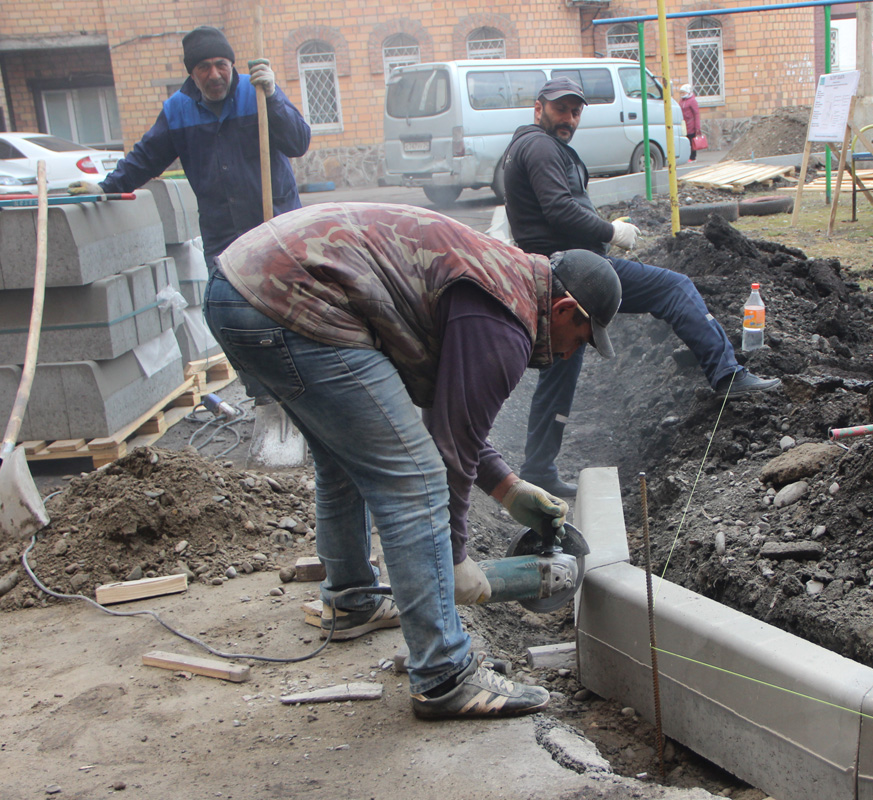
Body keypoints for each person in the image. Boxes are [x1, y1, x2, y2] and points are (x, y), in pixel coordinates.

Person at [204, 201, 622, 719]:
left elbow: (448, 419)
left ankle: (352, 599)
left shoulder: (503, 282)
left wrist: (509, 489)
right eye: (579, 341)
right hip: (289, 298)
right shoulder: (507, 323)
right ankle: (445, 673)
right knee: (415, 479)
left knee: (345, 459)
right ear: (563, 311)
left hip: (242, 287)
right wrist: (455, 558)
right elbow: (447, 452)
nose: (570, 354)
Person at [503, 77, 780, 497]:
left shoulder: (529, 147)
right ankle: (726, 375)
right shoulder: (539, 146)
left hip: (551, 275)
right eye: (561, 109)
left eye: (576, 111)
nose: (570, 119)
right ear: (538, 108)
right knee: (673, 288)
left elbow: (556, 207)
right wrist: (610, 230)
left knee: (562, 367)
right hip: (575, 271)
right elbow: (558, 209)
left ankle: (538, 468)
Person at [69, 25, 311, 273]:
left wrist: (273, 98)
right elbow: (145, 158)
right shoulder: (178, 111)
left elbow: (298, 143)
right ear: (192, 75)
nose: (214, 74)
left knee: (284, 304)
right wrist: (105, 187)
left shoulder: (258, 92)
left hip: (277, 226)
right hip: (224, 236)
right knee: (228, 307)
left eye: (221, 64)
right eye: (204, 67)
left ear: (232, 65)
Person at [680, 83, 701, 162]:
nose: (682, 94)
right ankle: (687, 156)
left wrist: (697, 127)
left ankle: (693, 157)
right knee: (686, 141)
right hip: (684, 125)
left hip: (691, 124)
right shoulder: (681, 101)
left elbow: (696, 114)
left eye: (684, 92)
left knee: (692, 141)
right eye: (681, 93)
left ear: (688, 92)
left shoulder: (692, 101)